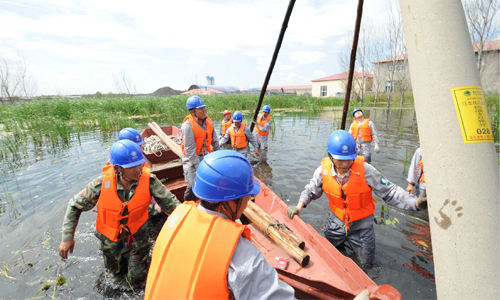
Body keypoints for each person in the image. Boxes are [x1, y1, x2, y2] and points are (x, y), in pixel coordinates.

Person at [144, 150, 296, 299]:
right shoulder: (240, 254)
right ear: (228, 203)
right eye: (247, 198)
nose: (248, 203)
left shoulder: (175, 219)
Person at [286, 130, 427, 268]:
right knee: (327, 255)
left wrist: (414, 203)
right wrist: (299, 207)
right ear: (330, 156)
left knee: (367, 264)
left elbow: (390, 191)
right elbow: (311, 191)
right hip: (336, 224)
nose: (345, 164)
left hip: (362, 228)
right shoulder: (322, 171)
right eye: (340, 160)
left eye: (349, 159)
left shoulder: (366, 170)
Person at [58, 140, 180, 285]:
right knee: (115, 277)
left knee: (137, 278)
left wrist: (187, 225)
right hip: (110, 241)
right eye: (131, 167)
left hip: (137, 238)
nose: (138, 170)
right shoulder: (101, 184)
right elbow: (74, 205)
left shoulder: (149, 182)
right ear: (118, 168)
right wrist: (67, 238)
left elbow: (173, 206)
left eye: (140, 164)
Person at [181, 95, 220, 201]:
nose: (204, 110)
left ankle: (208, 201)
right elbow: (189, 151)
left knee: (212, 180)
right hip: (191, 159)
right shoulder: (187, 126)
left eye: (204, 107)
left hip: (206, 155)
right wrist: (199, 167)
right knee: (192, 184)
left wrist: (219, 159)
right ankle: (188, 203)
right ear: (192, 111)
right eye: (200, 108)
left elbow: (215, 142)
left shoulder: (209, 122)